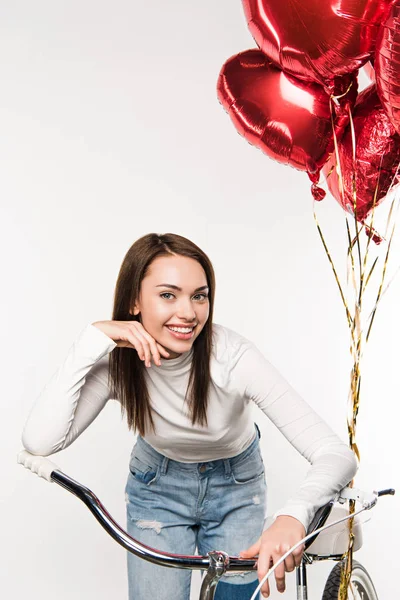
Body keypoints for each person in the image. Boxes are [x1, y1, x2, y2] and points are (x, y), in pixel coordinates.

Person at [22, 232, 358, 600]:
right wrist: (93, 339)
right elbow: (40, 442)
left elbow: (335, 453)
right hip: (156, 489)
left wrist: (294, 515)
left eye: (199, 295)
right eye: (168, 295)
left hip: (237, 488)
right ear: (135, 300)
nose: (188, 312)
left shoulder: (233, 358)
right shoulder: (118, 364)